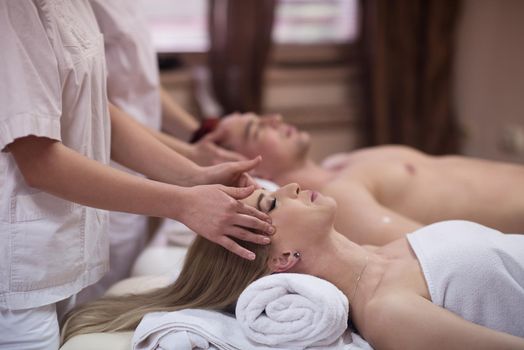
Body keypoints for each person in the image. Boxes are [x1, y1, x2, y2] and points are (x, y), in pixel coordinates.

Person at [0, 2, 272, 348]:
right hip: (21, 268)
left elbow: (94, 107)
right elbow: (39, 162)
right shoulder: (14, 12)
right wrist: (183, 203)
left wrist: (193, 175)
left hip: (62, 253)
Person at [61, 184, 524, 348]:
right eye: (274, 201)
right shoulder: (389, 311)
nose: (293, 185)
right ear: (282, 259)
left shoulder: (387, 250)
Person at [81, 0, 246, 303]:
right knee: (91, 300)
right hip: (99, 172)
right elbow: (97, 110)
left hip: (137, 166)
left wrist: (197, 138)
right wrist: (189, 168)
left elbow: (141, 83)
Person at [206, 112, 524, 245]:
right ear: (248, 168)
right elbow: (447, 249)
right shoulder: (337, 199)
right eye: (256, 128)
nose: (273, 119)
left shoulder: (340, 162)